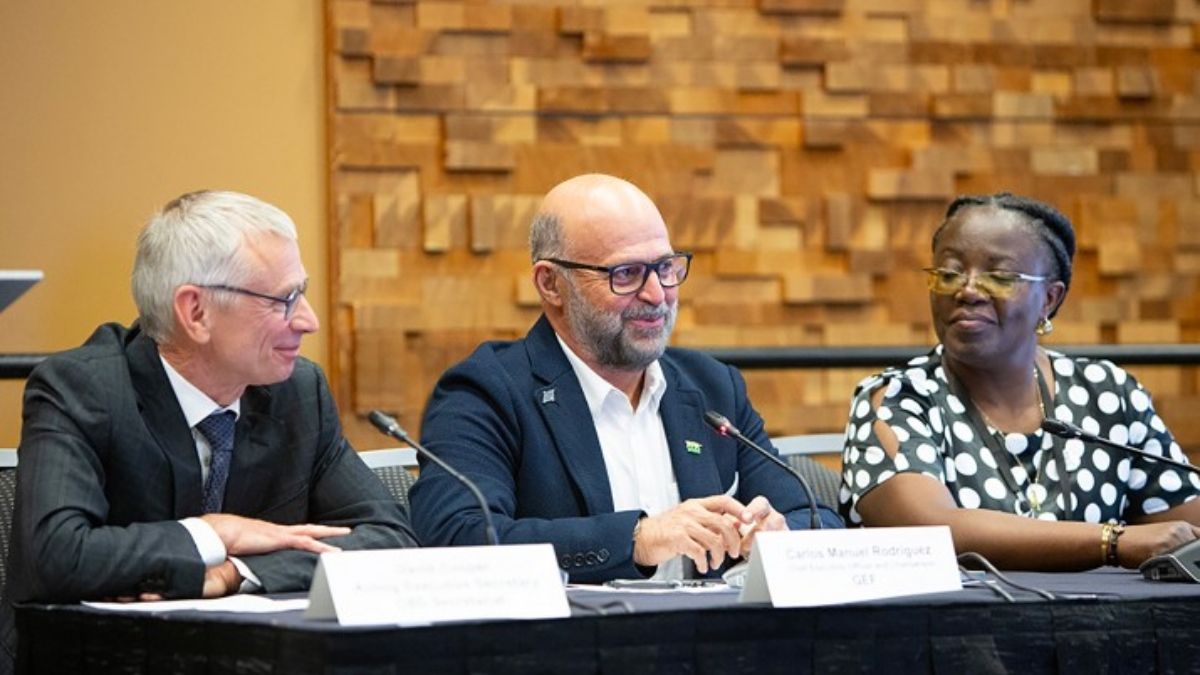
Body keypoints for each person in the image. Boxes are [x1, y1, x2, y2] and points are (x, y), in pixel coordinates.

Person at [2, 191, 417, 669]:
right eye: (283, 299)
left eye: (300, 293)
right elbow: (57, 554)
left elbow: (389, 539)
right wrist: (213, 533)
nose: (308, 321)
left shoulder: (299, 393)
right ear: (195, 312)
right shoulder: (83, 389)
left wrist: (236, 571)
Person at [409, 173, 842, 584]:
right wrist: (636, 540)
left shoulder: (712, 388)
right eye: (626, 274)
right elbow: (458, 538)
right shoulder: (487, 391)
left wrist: (780, 534)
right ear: (551, 284)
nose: (657, 294)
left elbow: (817, 518)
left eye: (666, 268)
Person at [840, 192, 1200, 570]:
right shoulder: (898, 398)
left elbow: (1185, 528)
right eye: (949, 274)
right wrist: (1112, 542)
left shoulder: (1107, 392)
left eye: (999, 277)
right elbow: (928, 530)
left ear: (1048, 299)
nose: (967, 291)